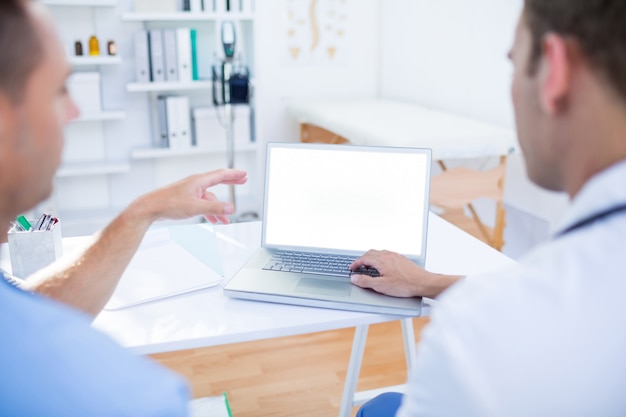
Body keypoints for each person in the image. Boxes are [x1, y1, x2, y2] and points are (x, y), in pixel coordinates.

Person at [351, 0, 626, 415]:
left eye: (515, 65)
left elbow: (516, 304)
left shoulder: (479, 336)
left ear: (554, 72)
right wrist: (426, 282)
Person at [0, 0, 247, 414]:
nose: (74, 111)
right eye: (60, 88)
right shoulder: (142, 398)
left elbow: (30, 319)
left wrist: (144, 210)